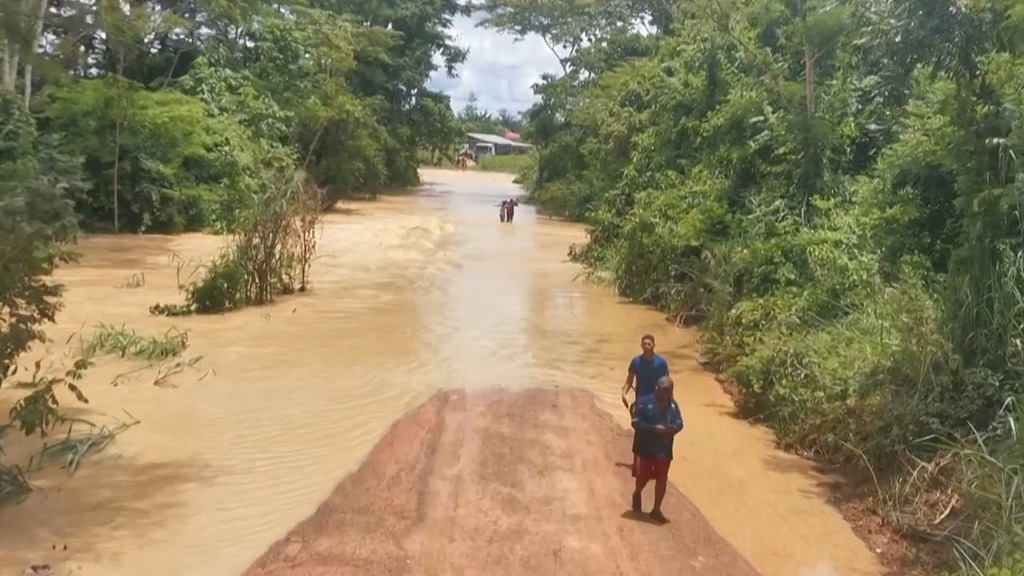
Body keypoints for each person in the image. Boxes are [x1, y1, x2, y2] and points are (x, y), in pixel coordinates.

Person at [630, 376, 684, 522]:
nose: (668, 393)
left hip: (664, 449)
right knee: (644, 477)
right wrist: (654, 429)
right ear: (657, 388)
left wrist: (673, 429)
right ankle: (637, 492)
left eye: (670, 390)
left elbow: (680, 422)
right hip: (645, 447)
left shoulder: (673, 406)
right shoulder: (643, 402)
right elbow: (635, 423)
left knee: (662, 478)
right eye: (664, 390)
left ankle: (656, 509)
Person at [621, 333, 670, 411]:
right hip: (640, 399)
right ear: (641, 345)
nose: (646, 346)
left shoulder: (661, 363)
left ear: (654, 345)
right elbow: (629, 381)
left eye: (649, 344)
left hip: (657, 401)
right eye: (644, 344)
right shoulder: (636, 362)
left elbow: (667, 383)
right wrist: (624, 394)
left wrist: (669, 401)